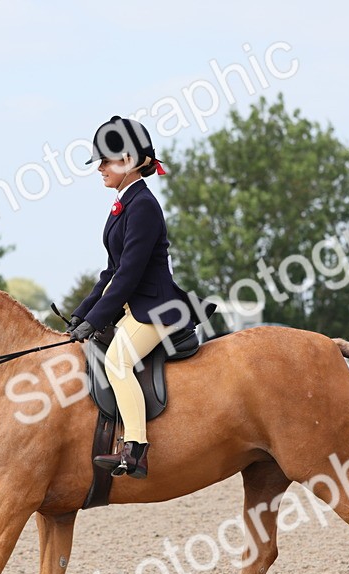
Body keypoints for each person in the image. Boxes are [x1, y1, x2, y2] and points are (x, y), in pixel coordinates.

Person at [67, 115, 198, 479]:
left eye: (107, 161)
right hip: (133, 307)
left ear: (130, 161)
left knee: (118, 362)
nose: (101, 169)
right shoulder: (125, 203)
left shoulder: (142, 205)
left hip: (154, 309)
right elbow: (110, 273)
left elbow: (128, 276)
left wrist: (96, 319)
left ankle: (135, 449)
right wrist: (81, 315)